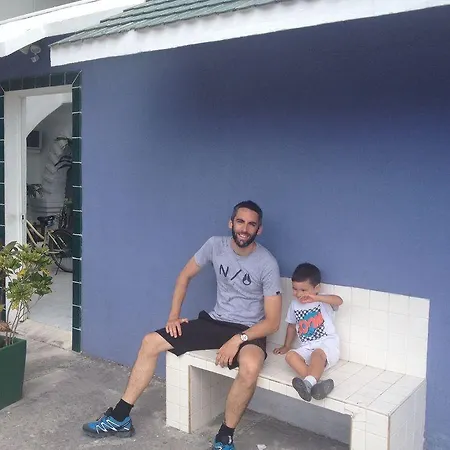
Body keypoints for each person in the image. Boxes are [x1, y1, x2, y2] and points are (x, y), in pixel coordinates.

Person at [82, 200, 282, 450]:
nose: (245, 228)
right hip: (215, 322)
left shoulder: (266, 263)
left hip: (248, 331)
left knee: (250, 367)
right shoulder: (215, 245)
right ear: (231, 223)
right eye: (240, 221)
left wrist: (238, 339)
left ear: (258, 230)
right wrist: (173, 316)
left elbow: (272, 322)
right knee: (150, 342)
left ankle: (224, 438)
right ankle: (120, 417)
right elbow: (184, 276)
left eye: (251, 224)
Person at [273, 263, 343, 402]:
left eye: (304, 290)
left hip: (327, 345)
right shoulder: (294, 305)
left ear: (316, 288)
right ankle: (313, 385)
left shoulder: (323, 301)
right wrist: (286, 346)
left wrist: (317, 298)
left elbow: (339, 301)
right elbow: (291, 326)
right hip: (307, 347)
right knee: (290, 356)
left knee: (317, 353)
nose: (299, 294)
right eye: (295, 289)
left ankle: (309, 382)